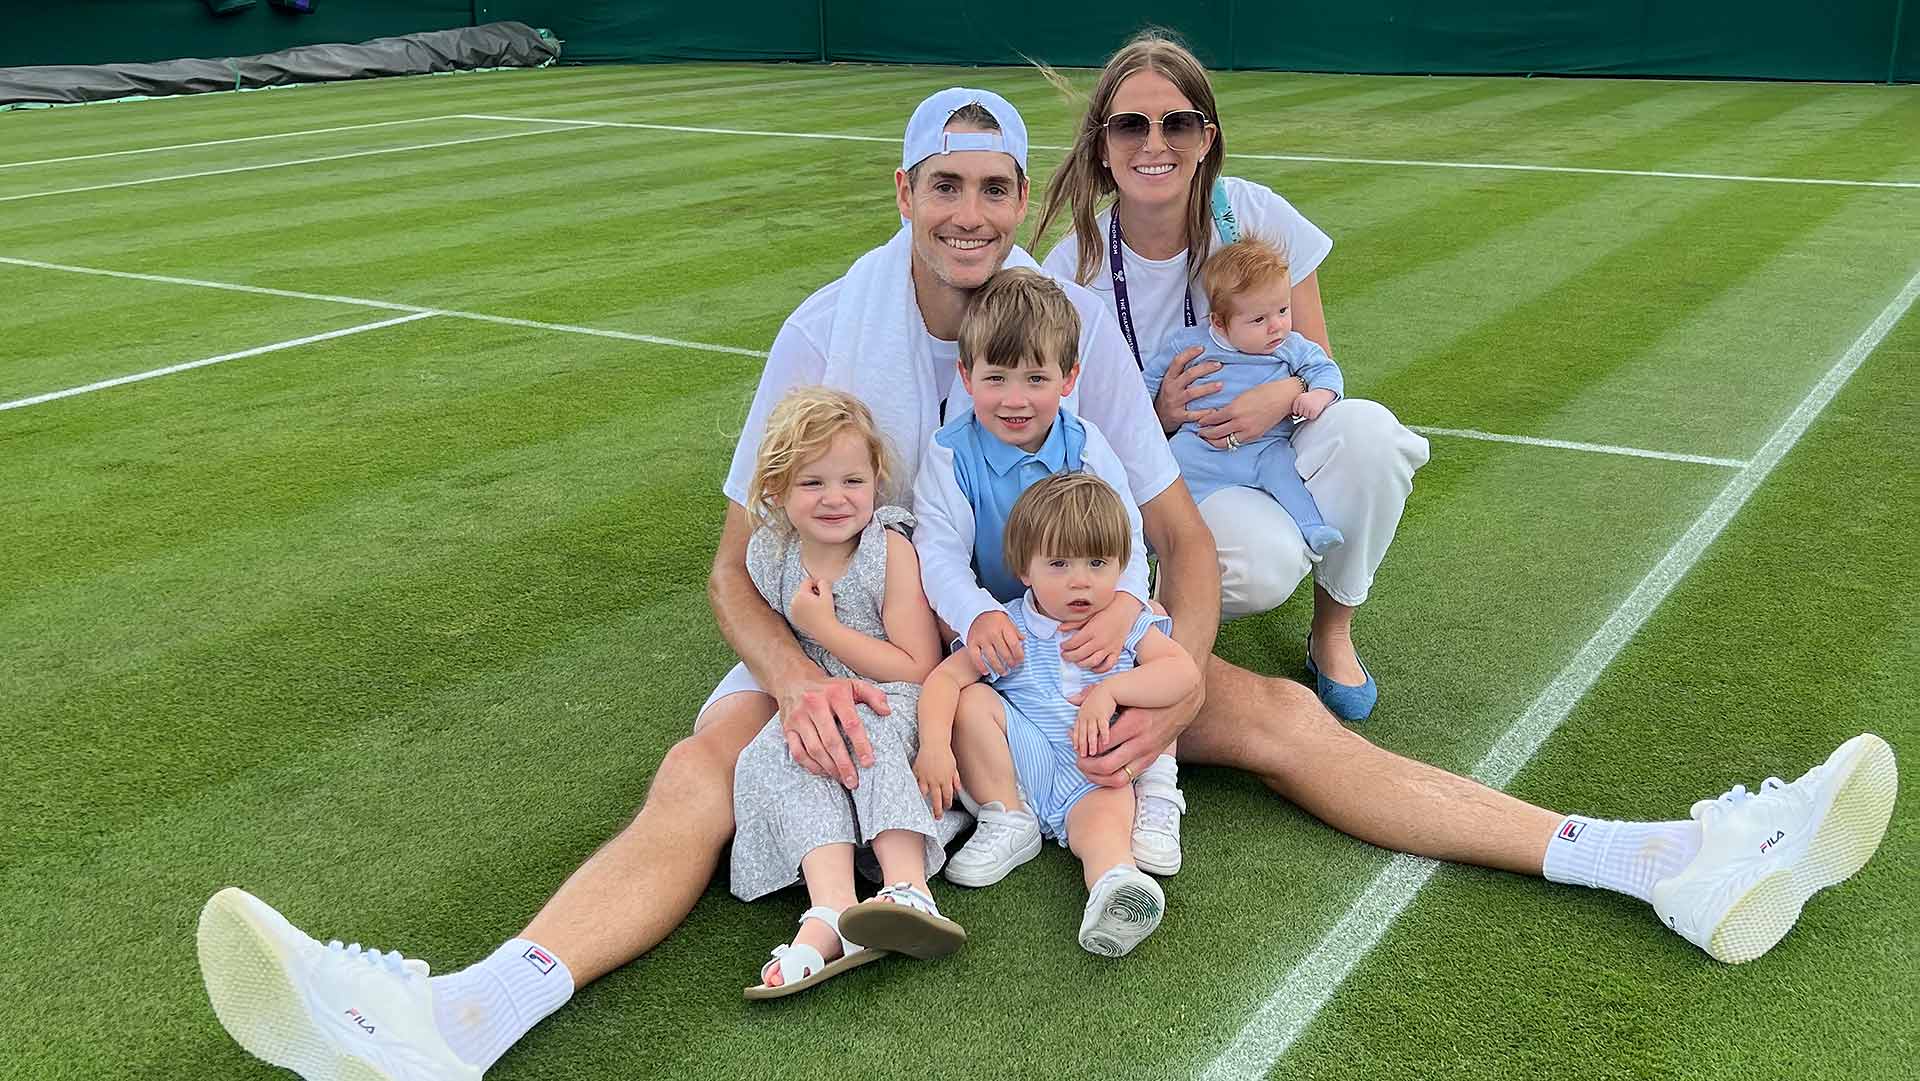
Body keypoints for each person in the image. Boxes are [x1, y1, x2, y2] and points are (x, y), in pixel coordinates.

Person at [193, 82, 1898, 1081]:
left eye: (999, 187)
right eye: (946, 184)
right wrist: (800, 676)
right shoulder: (826, 324)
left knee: (1283, 719)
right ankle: (449, 1021)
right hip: (852, 641)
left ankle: (1662, 859)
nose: (972, 213)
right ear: (905, 192)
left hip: (1065, 649)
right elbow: (729, 567)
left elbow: (1163, 529)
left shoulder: (1047, 318)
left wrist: (1171, 656)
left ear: (1025, 198)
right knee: (695, 772)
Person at [1034, 31, 1430, 720]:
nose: (1154, 144)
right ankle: (1149, 607)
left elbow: (1317, 358)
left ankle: (1332, 632)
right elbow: (1070, 437)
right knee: (1264, 563)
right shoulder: (1072, 270)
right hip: (1175, 475)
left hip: (1281, 434)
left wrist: (1279, 395)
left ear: (1206, 137)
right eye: (1131, 124)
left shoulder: (1251, 213)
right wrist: (1160, 413)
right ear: (1103, 144)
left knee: (1374, 436)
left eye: (1176, 123)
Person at [911, 268, 1188, 884]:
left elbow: (1129, 537)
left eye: (1037, 379)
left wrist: (1123, 606)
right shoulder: (950, 454)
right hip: (1009, 632)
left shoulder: (1085, 443)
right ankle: (1008, 815)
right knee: (973, 702)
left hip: (1092, 618)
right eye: (996, 379)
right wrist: (977, 613)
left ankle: (1159, 796)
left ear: (1069, 379)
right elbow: (940, 552)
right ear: (966, 376)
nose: (1015, 399)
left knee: (1154, 655)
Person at [727, 386, 964, 999]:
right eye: (812, 484)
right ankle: (830, 908)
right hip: (821, 702)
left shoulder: (889, 552)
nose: (836, 499)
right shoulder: (770, 552)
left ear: (876, 483)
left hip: (894, 699)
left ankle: (907, 886)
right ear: (776, 491)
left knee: (870, 731)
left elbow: (918, 667)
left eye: (852, 481)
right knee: (786, 747)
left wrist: (824, 629)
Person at [921, 473, 1200, 956]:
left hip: (1095, 772)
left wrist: (1111, 690)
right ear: (1025, 570)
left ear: (1121, 565)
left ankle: (1115, 893)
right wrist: (933, 747)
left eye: (1097, 563)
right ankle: (1007, 818)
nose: (1081, 580)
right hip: (1023, 769)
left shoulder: (1128, 623)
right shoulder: (1006, 626)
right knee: (973, 701)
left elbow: (1182, 673)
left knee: (1105, 832)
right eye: (1058, 563)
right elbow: (944, 679)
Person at [1144, 235, 1346, 560]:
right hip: (1200, 445)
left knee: (1284, 473)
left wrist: (1319, 394)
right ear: (1220, 323)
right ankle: (1144, 541)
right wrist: (1149, 410)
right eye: (1259, 319)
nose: (1276, 326)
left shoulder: (1291, 346)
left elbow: (1326, 369)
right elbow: (1147, 381)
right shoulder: (1190, 344)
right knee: (1169, 476)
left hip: (1265, 447)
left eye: (1282, 310)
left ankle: (1313, 527)